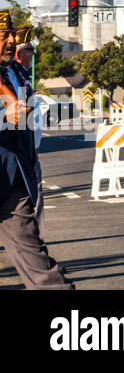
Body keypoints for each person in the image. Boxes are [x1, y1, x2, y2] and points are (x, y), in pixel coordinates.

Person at [0, 11, 72, 288]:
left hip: (13, 179)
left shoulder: (14, 73)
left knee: (31, 249)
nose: (11, 41)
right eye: (3, 36)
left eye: (11, 35)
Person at [12, 27, 46, 237]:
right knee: (30, 198)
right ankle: (34, 239)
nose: (32, 54)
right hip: (21, 150)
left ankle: (35, 238)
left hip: (29, 148)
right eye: (29, 51)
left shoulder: (21, 75)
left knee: (33, 197)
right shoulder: (13, 75)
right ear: (19, 53)